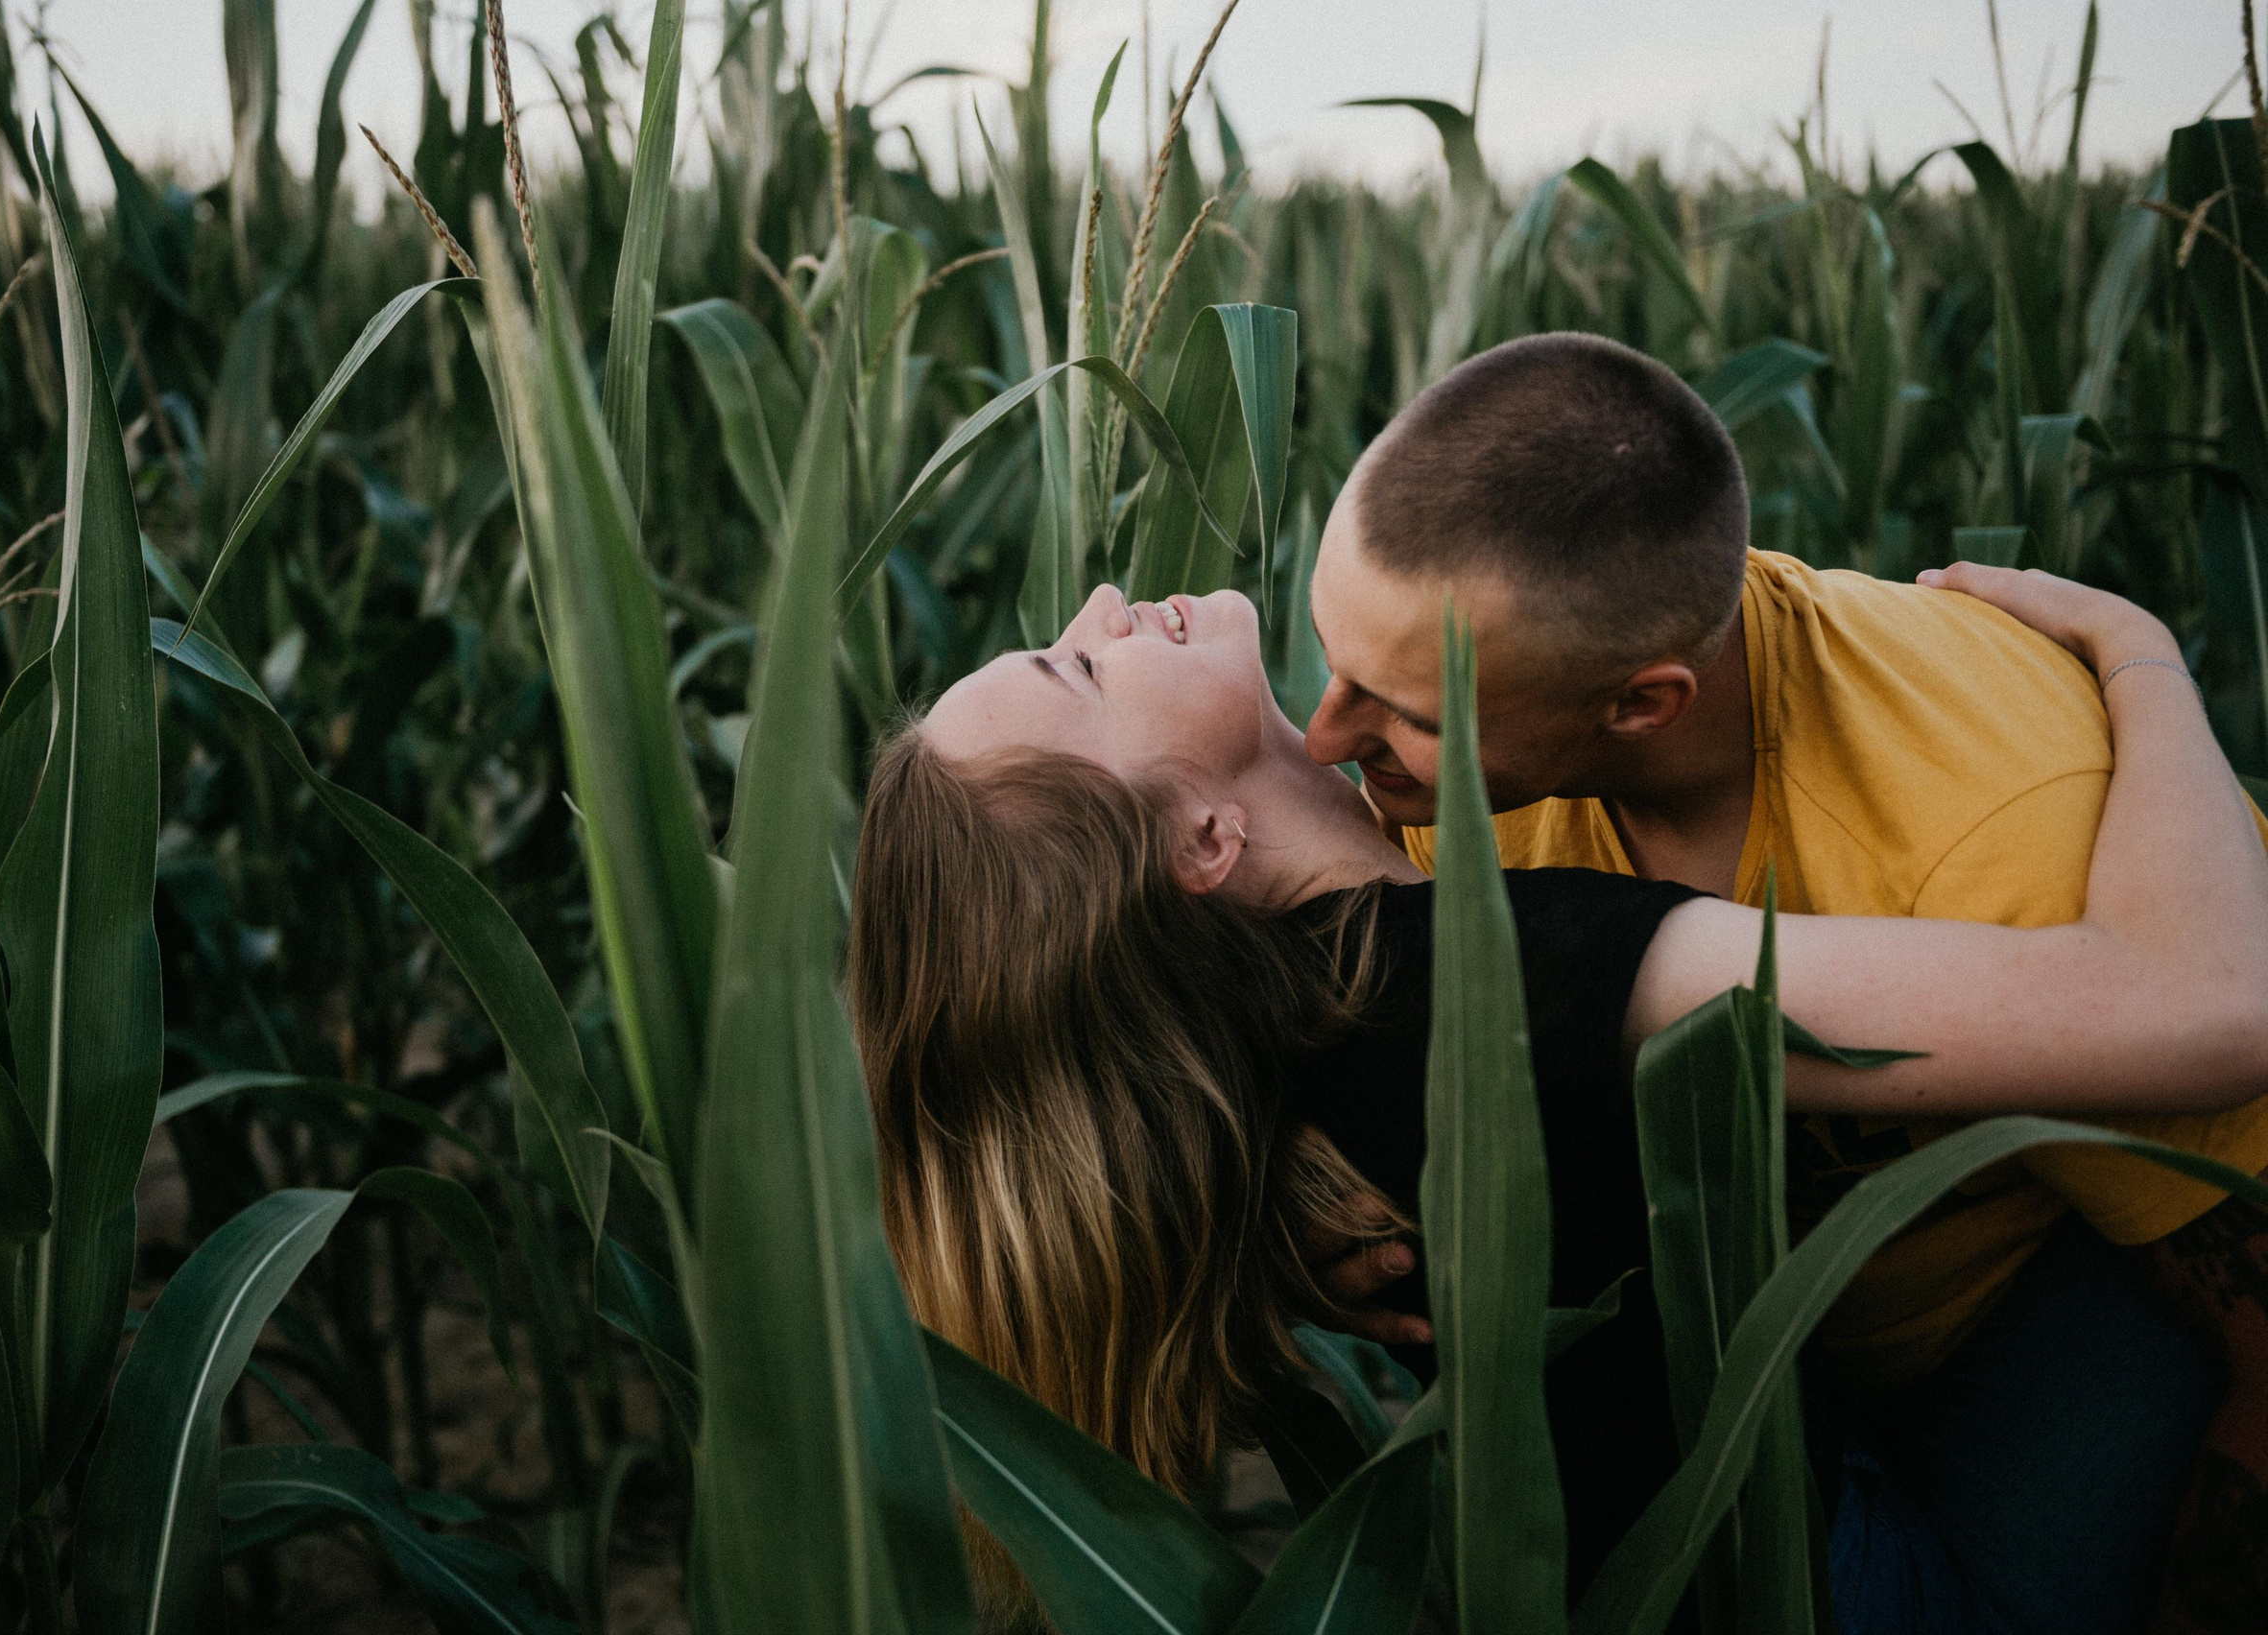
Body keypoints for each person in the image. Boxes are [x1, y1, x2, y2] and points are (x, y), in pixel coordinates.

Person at [850, 568, 2268, 1624]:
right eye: (1076, 670)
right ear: (1207, 840)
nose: (1101, 598)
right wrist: (2142, 656)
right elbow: (2207, 1008)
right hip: (1837, 1586)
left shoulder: (1265, 1052)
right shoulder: (1517, 980)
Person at [1298, 332, 2268, 1635]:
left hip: (2046, 1316)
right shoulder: (1453, 774)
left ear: (1644, 705)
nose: (1323, 739)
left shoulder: (1997, 830)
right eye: (1331, 658)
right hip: (1772, 1329)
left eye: (1403, 711)